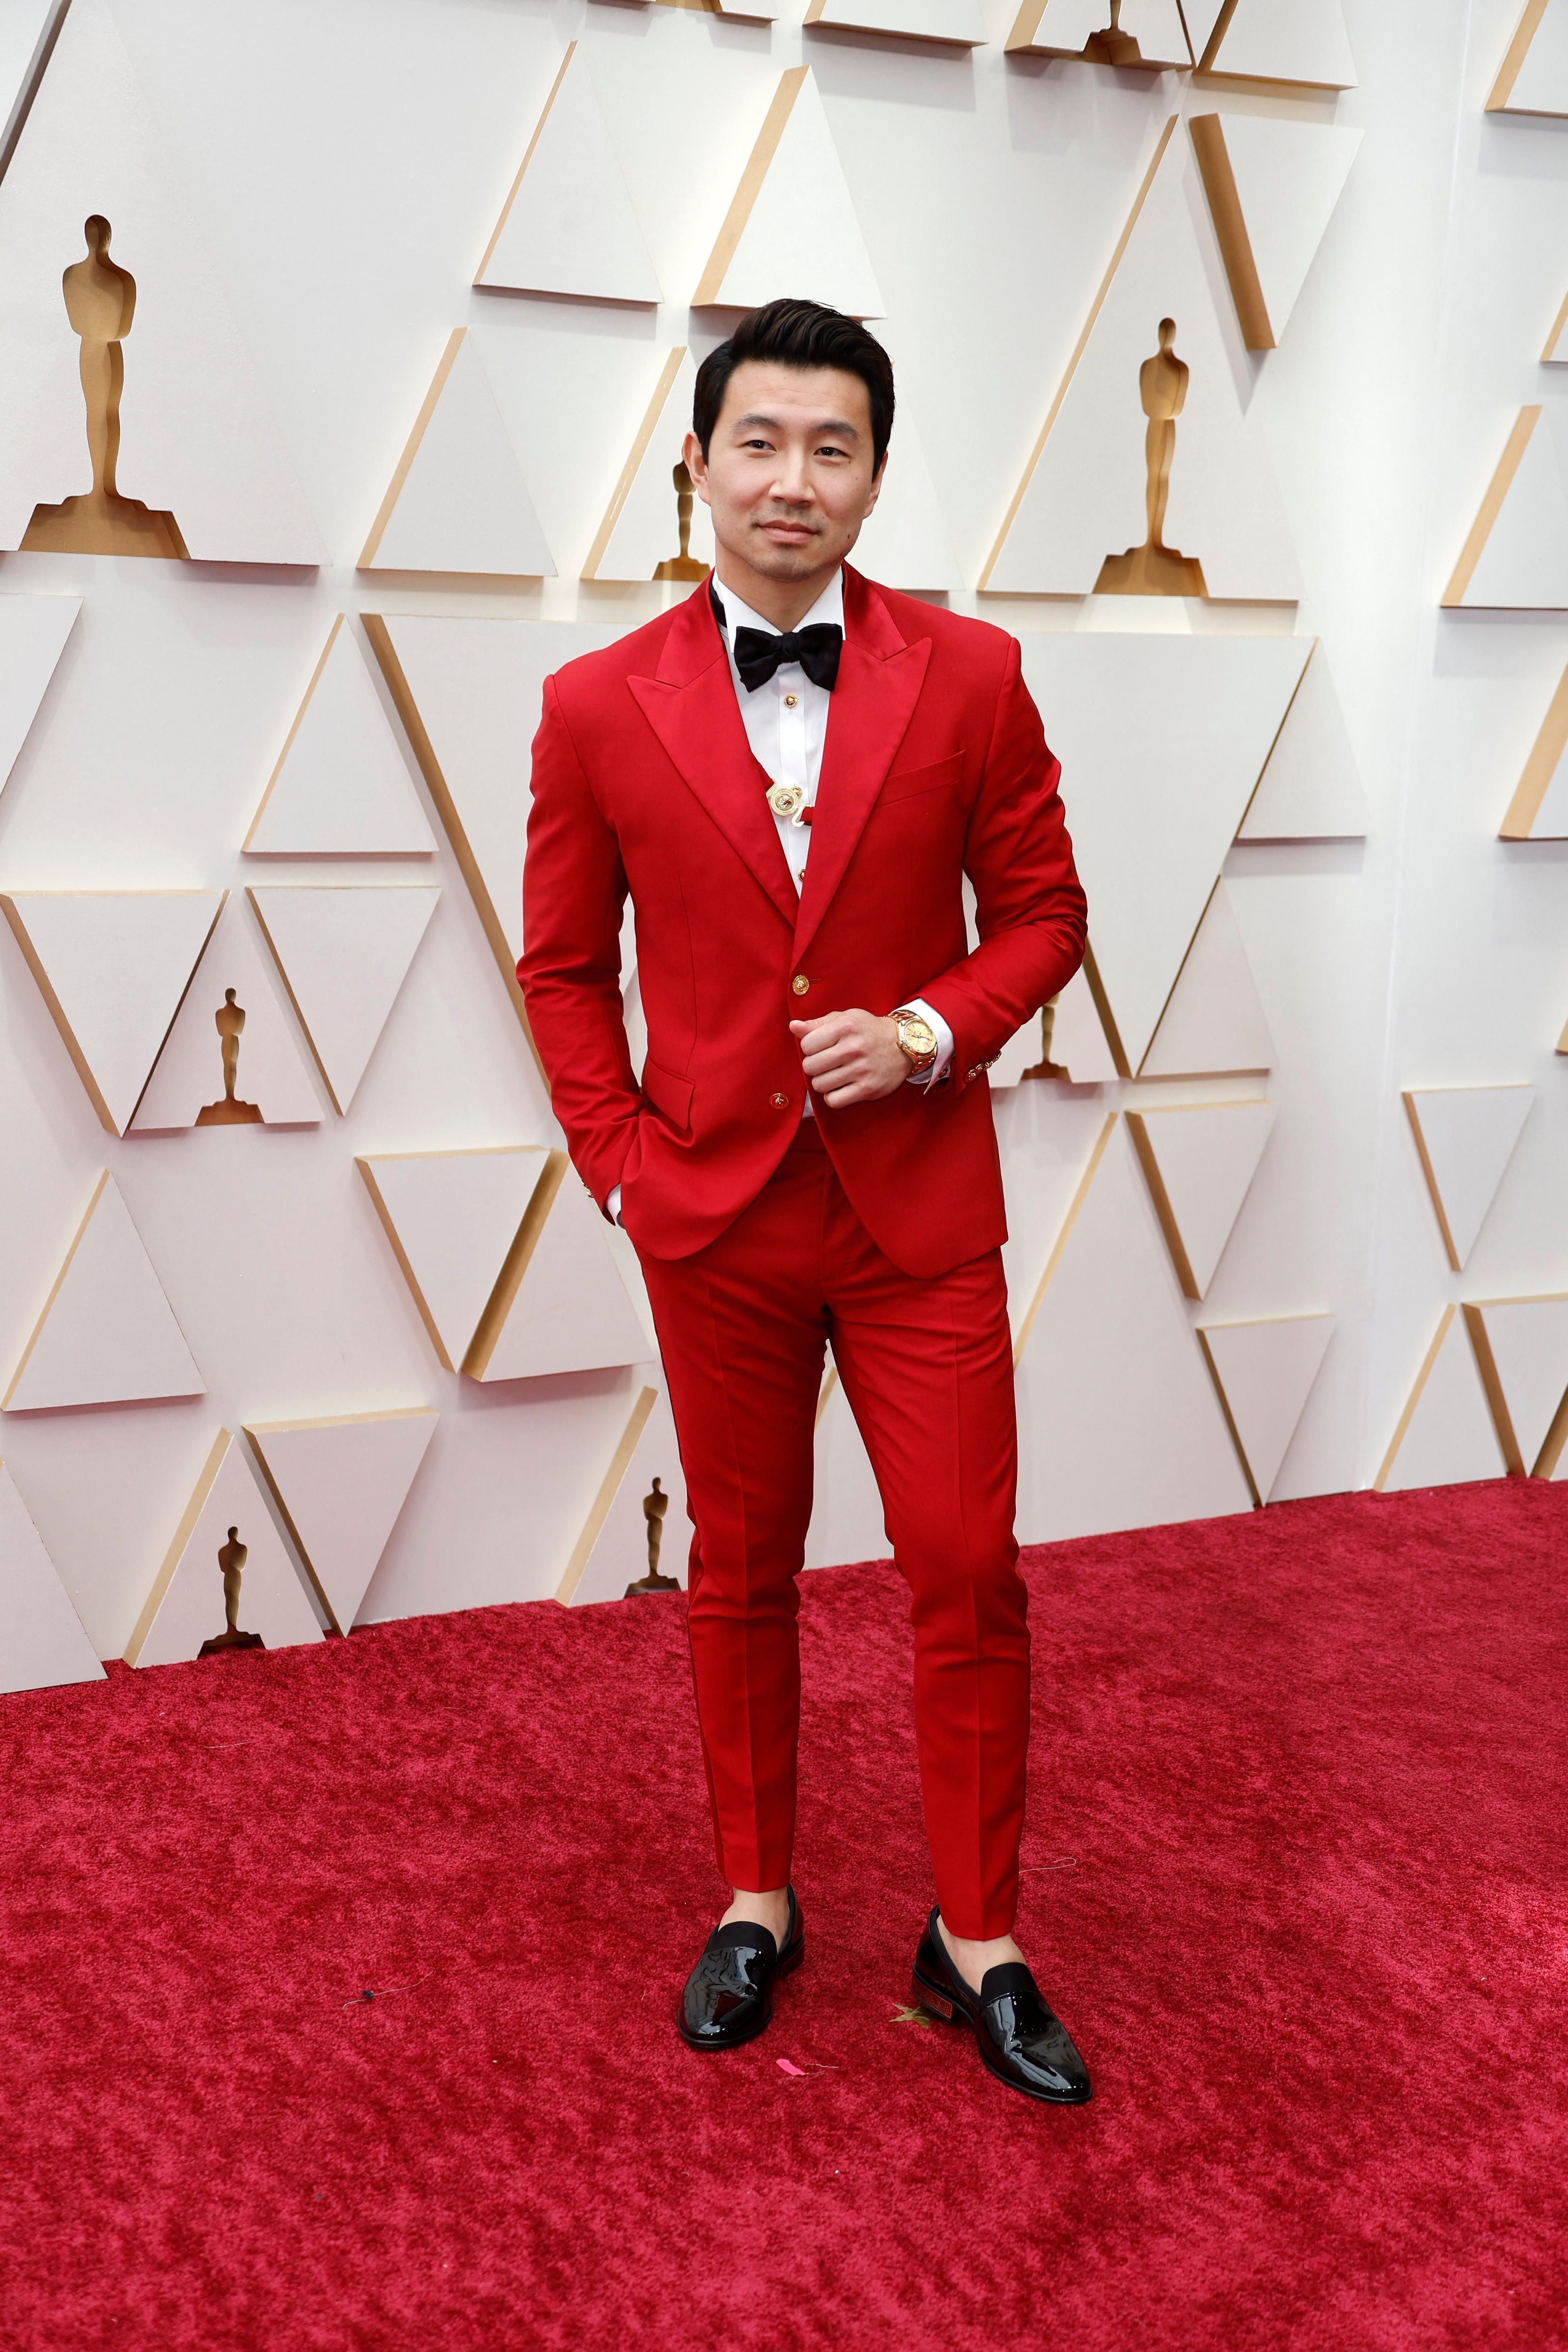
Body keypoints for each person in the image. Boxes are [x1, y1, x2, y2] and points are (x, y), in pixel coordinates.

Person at [520, 298, 1091, 2105]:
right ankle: (756, 1901)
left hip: (920, 1213)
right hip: (714, 1220)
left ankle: (977, 1935)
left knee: (966, 1568)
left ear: (876, 476)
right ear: (695, 465)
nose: (792, 480)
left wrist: (930, 1029)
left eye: (830, 448)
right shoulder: (593, 706)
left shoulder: (975, 676)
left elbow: (1049, 919)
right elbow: (558, 967)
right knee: (740, 1569)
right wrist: (620, 1166)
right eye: (757, 443)